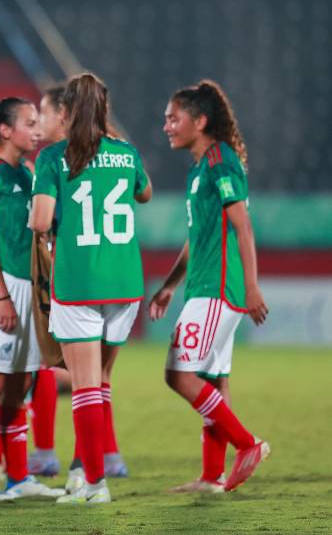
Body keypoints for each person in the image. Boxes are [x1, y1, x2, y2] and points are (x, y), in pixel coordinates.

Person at [31, 73, 152, 504]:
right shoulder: (126, 152)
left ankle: (93, 481)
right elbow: (145, 193)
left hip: (79, 282)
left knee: (83, 386)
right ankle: (85, 476)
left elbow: (42, 221)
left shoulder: (53, 158)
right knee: (101, 382)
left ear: (65, 112)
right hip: (126, 284)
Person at [150, 80, 270, 494]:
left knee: (178, 374)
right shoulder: (202, 166)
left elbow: (243, 226)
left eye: (173, 118)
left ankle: (248, 444)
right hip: (204, 285)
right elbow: (198, 236)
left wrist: (251, 287)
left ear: (199, 121)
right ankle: (211, 476)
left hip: (219, 289)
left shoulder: (220, 160)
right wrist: (169, 286)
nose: (166, 126)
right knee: (214, 378)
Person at [0, 98, 64, 501]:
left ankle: (19, 477)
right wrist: (1, 296)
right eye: (29, 122)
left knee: (20, 382)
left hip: (27, 286)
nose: (37, 130)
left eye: (38, 122)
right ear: (5, 130)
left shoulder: (28, 171)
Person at [26, 86, 64, 479]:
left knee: (43, 363)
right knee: (96, 374)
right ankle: (107, 456)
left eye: (43, 115)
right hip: (113, 273)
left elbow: (40, 222)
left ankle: (47, 453)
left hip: (60, 271)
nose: (38, 125)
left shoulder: (52, 158)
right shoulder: (113, 152)